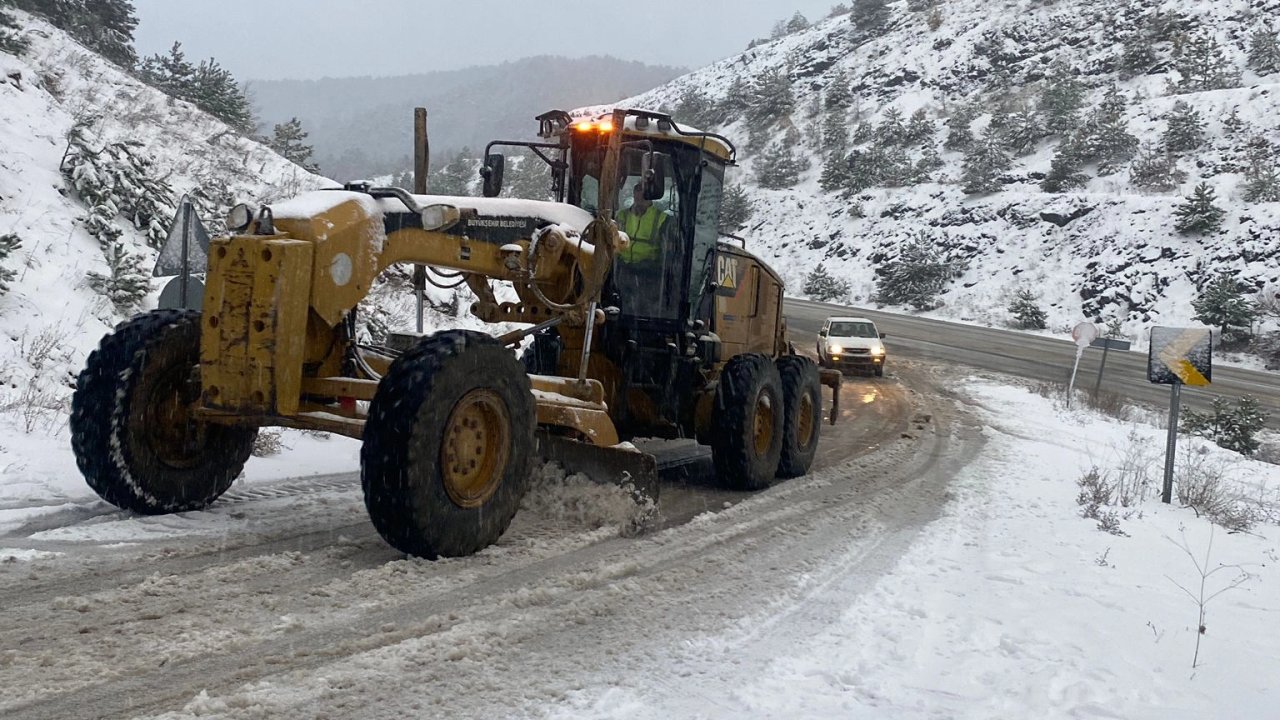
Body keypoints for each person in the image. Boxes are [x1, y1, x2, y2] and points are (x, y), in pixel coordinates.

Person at [614, 183, 670, 265]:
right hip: (621, 266)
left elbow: (669, 249)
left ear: (650, 196)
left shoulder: (662, 219)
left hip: (649, 269)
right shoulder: (622, 216)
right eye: (637, 190)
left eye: (644, 192)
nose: (640, 195)